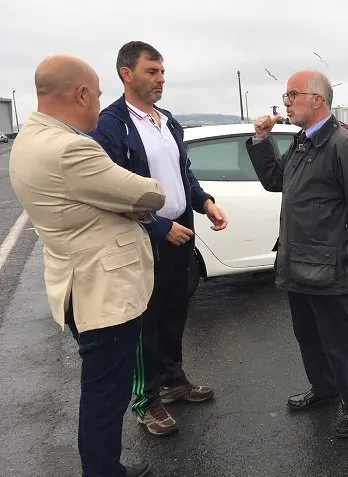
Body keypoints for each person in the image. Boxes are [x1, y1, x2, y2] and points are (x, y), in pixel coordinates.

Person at [9, 54, 166, 477]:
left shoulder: (29, 139)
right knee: (105, 395)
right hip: (102, 290)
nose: (99, 103)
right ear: (81, 93)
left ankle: (105, 467)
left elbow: (109, 200)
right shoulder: (71, 148)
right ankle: (103, 471)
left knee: (102, 388)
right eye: (96, 95)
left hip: (76, 281)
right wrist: (131, 203)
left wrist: (120, 206)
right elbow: (149, 194)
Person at [91, 41, 228, 437]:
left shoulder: (167, 120)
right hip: (143, 242)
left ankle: (172, 380)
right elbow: (110, 191)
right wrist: (157, 227)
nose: (161, 79)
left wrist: (204, 202)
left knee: (173, 314)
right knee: (144, 324)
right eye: (152, 71)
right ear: (126, 74)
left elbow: (182, 172)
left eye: (163, 72)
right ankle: (145, 399)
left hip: (181, 235)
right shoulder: (111, 124)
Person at [246, 70, 348, 438]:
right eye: (286, 95)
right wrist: (261, 139)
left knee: (338, 339)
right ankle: (325, 389)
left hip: (329, 265)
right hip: (296, 260)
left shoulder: (341, 143)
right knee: (307, 333)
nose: (286, 102)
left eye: (292, 95)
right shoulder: (304, 141)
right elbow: (277, 181)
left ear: (317, 100)